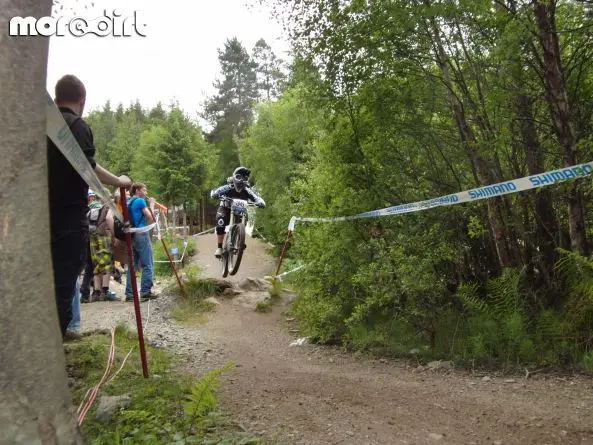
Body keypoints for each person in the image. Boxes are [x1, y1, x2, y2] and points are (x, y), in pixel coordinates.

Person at [48, 74, 131, 338]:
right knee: (64, 280)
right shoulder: (76, 126)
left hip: (37, 214)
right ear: (82, 101)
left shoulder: (39, 125)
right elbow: (87, 167)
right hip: (68, 215)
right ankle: (56, 342)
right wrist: (119, 181)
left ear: (56, 96)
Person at [210, 166, 265, 258]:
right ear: (234, 177)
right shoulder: (228, 187)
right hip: (225, 208)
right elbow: (217, 191)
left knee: (245, 219)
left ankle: (240, 240)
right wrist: (215, 194)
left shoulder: (247, 191)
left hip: (240, 211)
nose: (241, 180)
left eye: (245, 178)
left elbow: (256, 197)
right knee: (220, 222)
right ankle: (219, 247)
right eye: (239, 177)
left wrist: (260, 202)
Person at [124, 182, 157, 302]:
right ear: (137, 190)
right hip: (141, 234)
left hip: (131, 235)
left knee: (132, 266)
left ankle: (130, 293)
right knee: (147, 264)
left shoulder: (128, 201)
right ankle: (145, 292)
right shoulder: (140, 201)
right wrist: (152, 205)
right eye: (144, 190)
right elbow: (150, 216)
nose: (146, 193)